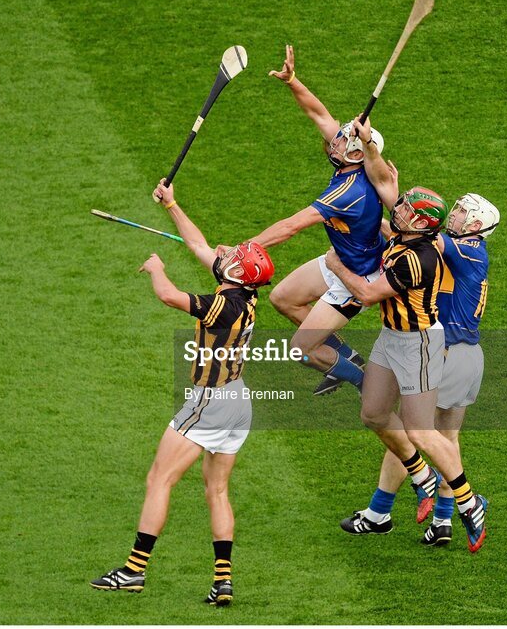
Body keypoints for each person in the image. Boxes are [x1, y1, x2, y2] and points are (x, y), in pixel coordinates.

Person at [90, 180, 275, 605]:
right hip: (237, 400)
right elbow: (198, 244)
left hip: (210, 401)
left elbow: (170, 296)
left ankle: (133, 571)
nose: (225, 249)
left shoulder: (221, 304)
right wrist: (171, 204)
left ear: (233, 272)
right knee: (217, 490)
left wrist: (156, 268)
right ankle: (223, 582)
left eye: (231, 255)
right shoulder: (244, 295)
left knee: (160, 477)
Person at [324, 184, 489, 552]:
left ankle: (466, 502)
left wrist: (336, 261)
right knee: (374, 413)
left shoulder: (429, 255)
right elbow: (390, 220)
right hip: (394, 337)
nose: (397, 208)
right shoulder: (415, 238)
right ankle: (419, 486)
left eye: (405, 208)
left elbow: (367, 294)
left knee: (426, 433)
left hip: (428, 345)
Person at [224, 45, 393, 396]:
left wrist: (244, 249)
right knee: (283, 299)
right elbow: (320, 115)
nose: (336, 139)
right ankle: (348, 357)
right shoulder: (351, 160)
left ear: (359, 154)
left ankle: (366, 383)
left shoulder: (349, 191)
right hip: (342, 259)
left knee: (300, 350)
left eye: (345, 139)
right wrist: (293, 81)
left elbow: (291, 226)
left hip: (356, 276)